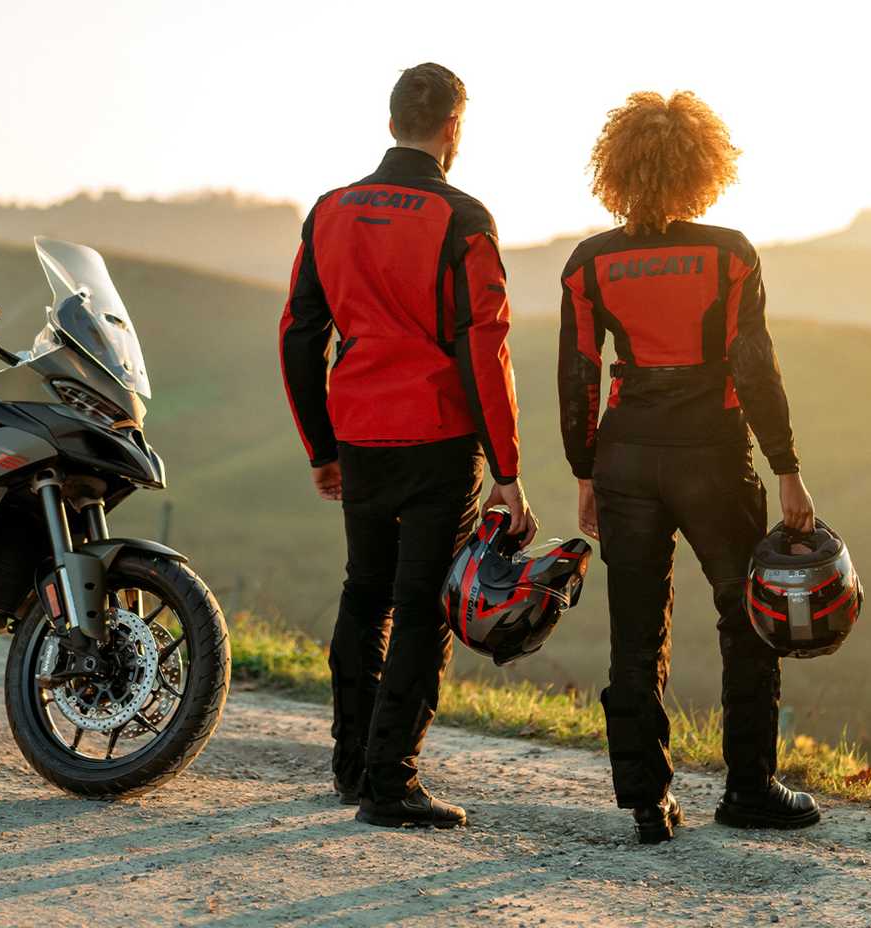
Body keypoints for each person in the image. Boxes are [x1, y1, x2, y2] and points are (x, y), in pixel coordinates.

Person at [557, 91, 821, 843]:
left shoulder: (591, 262)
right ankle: (749, 790)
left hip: (626, 458)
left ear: (619, 167)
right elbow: (756, 366)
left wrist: (585, 471)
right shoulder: (729, 253)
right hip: (714, 453)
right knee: (747, 622)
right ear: (704, 166)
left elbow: (577, 374)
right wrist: (788, 467)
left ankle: (648, 801)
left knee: (635, 634)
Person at [279, 62, 536, 829]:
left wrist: (320, 447)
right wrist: (509, 472)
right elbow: (484, 349)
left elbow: (299, 337)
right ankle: (391, 781)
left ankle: (352, 764)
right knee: (421, 607)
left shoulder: (328, 211)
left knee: (365, 592)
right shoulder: (463, 219)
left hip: (359, 434)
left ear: (392, 121)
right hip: (439, 440)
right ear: (452, 127)